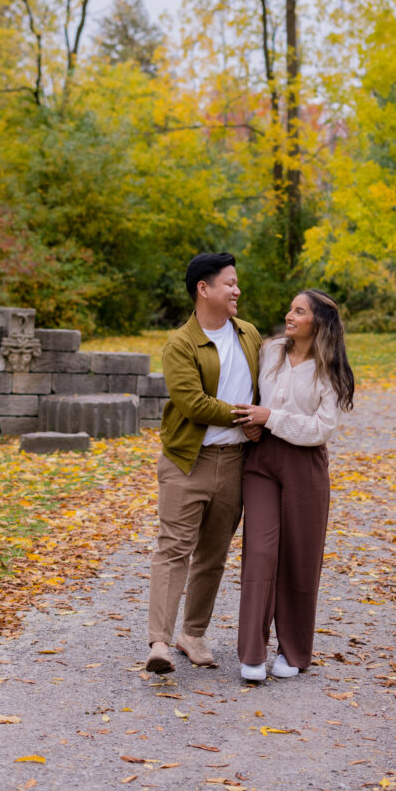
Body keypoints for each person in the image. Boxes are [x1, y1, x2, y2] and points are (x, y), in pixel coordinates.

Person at [146, 252, 262, 674]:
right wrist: (245, 416)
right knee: (174, 550)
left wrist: (262, 421)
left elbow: (265, 390)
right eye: (229, 283)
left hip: (234, 463)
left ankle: (192, 634)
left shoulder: (249, 335)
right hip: (186, 463)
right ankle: (159, 641)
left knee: (213, 554)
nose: (237, 290)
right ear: (204, 289)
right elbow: (192, 404)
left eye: (236, 283)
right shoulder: (180, 343)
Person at [231, 289, 354, 681]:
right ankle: (252, 652)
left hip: (306, 466)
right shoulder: (270, 351)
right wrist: (251, 423)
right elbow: (250, 396)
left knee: (300, 558)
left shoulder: (330, 369)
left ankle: (294, 652)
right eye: (291, 308)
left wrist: (271, 417)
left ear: (317, 322)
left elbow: (321, 428)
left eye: (299, 312)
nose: (290, 315)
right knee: (261, 552)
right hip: (262, 462)